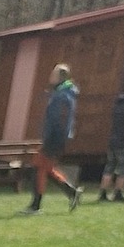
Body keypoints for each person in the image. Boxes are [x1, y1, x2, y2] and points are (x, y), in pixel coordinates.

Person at [30, 62, 81, 212]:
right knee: (47, 168)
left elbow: (59, 120)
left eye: (53, 74)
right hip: (55, 137)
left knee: (38, 167)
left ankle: (35, 206)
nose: (50, 76)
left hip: (55, 137)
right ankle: (72, 192)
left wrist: (50, 137)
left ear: (60, 77)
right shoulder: (60, 93)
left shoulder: (63, 95)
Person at [101, 77, 124, 203]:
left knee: (109, 167)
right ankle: (118, 193)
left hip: (114, 139)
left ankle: (103, 193)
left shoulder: (119, 102)